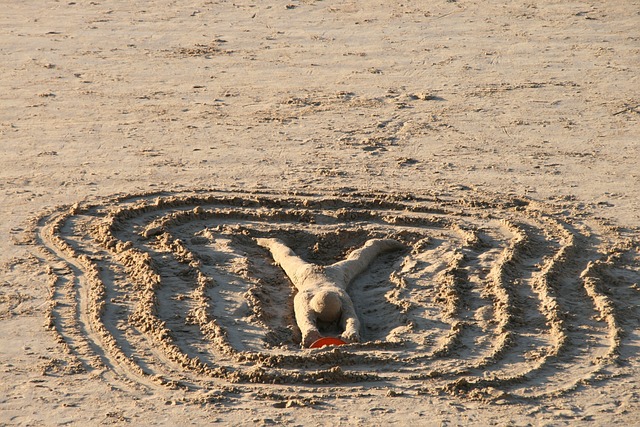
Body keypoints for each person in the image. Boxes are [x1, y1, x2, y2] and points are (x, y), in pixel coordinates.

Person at [257, 237, 404, 347]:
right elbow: (305, 321)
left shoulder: (339, 294)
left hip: (334, 275)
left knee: (359, 259)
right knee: (286, 257)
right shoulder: (304, 296)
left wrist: (351, 331)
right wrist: (309, 332)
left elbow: (351, 319)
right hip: (306, 274)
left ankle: (376, 245)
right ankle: (272, 243)